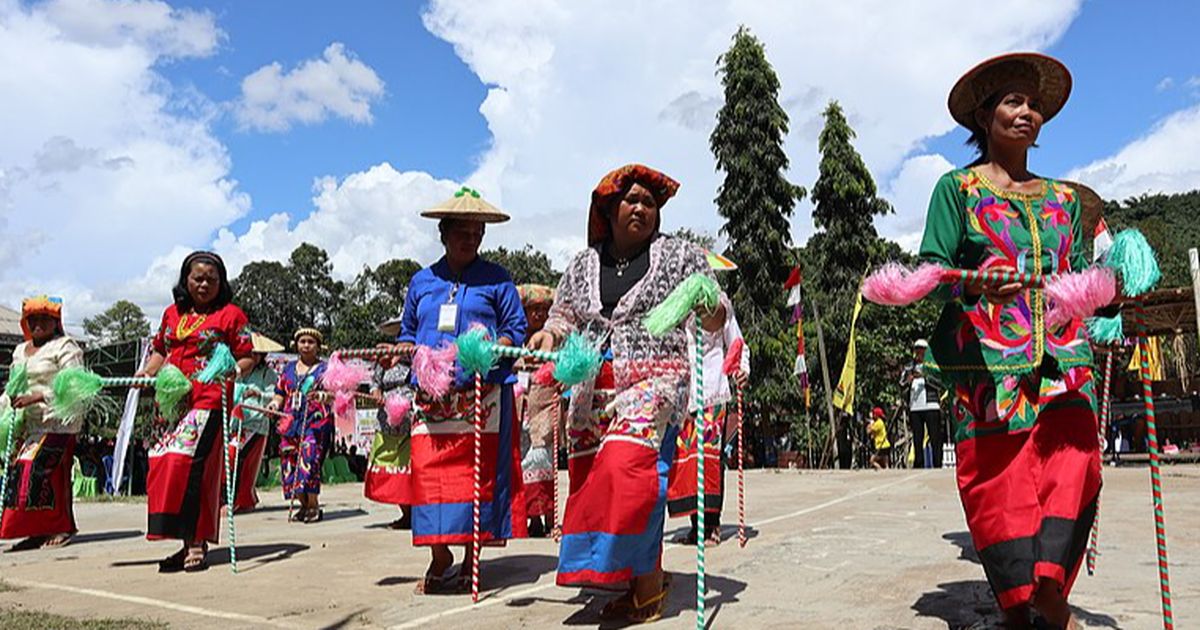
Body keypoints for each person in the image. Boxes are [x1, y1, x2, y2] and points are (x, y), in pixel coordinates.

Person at [920, 53, 1098, 629]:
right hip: (986, 362)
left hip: (1063, 358)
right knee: (1001, 482)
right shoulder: (957, 189)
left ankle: (1050, 588)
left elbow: (1072, 278)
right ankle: (1022, 603)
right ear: (983, 115)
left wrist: (1106, 296)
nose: (1027, 112)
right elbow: (931, 272)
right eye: (1012, 101)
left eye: (1033, 103)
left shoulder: (1065, 201)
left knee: (1074, 465)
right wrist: (976, 281)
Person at [529, 164, 726, 623]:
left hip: (656, 379)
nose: (641, 207)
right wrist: (549, 338)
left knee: (629, 469)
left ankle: (649, 586)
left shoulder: (682, 257)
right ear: (608, 208)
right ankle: (636, 574)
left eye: (650, 202)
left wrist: (707, 305)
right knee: (595, 480)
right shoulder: (582, 264)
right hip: (590, 387)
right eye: (631, 199)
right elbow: (563, 317)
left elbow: (717, 317)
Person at [385, 187, 528, 595]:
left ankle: (470, 556)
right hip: (431, 397)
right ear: (443, 233)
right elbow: (408, 332)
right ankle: (439, 553)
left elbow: (515, 331)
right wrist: (407, 352)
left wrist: (482, 352)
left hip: (482, 394)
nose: (471, 238)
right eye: (462, 231)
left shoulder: (498, 280)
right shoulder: (421, 281)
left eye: (477, 232)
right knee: (431, 477)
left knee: (474, 478)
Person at [139, 251, 255, 572]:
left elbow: (247, 356)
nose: (204, 284)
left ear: (221, 283)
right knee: (164, 465)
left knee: (194, 468)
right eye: (198, 278)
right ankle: (181, 538)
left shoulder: (231, 315)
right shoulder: (171, 314)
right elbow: (160, 352)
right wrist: (146, 374)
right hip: (171, 402)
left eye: (211, 279)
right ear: (185, 280)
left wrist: (230, 371)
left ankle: (196, 542)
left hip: (208, 398)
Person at [0, 296, 85, 551]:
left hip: (59, 422)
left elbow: (75, 385)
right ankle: (36, 530)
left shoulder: (66, 347)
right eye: (33, 320)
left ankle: (62, 526)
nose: (38, 324)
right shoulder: (20, 351)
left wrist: (40, 396)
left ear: (54, 322)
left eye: (44, 319)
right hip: (32, 425)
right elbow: (14, 387)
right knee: (21, 474)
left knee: (41, 470)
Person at [667, 291, 749, 546]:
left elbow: (736, 342)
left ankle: (712, 525)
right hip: (682, 392)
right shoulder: (674, 303)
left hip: (712, 388)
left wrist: (741, 368)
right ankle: (696, 526)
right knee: (685, 460)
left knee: (709, 458)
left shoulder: (719, 303)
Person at [267, 328, 331, 524]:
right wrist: (274, 404)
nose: (306, 345)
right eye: (302, 341)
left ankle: (313, 505)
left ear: (318, 346)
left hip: (315, 422)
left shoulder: (326, 369)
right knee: (290, 463)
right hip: (290, 422)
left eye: (310, 342)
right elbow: (280, 393)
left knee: (309, 461)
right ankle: (302, 505)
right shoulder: (288, 369)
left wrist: (324, 396)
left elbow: (336, 393)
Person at [515, 284, 558, 537]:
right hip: (521, 409)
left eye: (544, 310)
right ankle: (531, 518)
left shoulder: (554, 341)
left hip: (544, 408)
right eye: (534, 310)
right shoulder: (516, 341)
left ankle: (550, 516)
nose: (539, 315)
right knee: (525, 463)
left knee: (543, 461)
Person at [365, 318, 413, 529]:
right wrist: (377, 394)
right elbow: (374, 383)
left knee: (409, 466)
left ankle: (413, 514)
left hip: (410, 418)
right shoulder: (383, 359)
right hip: (386, 420)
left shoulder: (416, 356)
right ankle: (404, 512)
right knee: (386, 461)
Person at [228, 332, 282, 513]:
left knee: (240, 460)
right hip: (234, 423)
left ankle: (239, 500)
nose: (250, 357)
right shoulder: (233, 373)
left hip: (255, 424)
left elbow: (276, 395)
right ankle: (240, 498)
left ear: (261, 356)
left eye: (254, 354)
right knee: (230, 460)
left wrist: (258, 394)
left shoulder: (268, 374)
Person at [901, 339, 943, 468]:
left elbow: (940, 382)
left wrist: (924, 376)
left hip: (931, 405)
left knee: (934, 436)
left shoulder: (933, 365)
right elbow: (901, 383)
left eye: (922, 350)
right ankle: (919, 463)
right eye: (917, 350)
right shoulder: (909, 366)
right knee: (917, 438)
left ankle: (937, 463)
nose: (919, 353)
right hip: (915, 406)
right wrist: (908, 380)